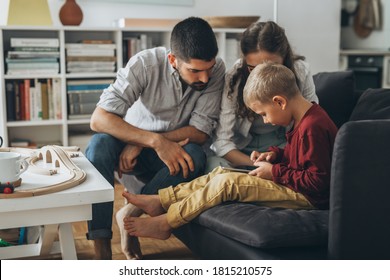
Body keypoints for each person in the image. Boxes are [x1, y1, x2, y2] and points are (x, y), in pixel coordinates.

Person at [121, 62, 338, 240]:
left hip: (307, 198)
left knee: (228, 184)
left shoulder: (312, 127)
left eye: (263, 113)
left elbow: (318, 182)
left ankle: (167, 222)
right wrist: (275, 155)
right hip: (295, 184)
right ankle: (162, 200)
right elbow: (300, 160)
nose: (266, 121)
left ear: (279, 101)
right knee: (220, 173)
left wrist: (274, 172)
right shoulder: (304, 119)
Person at [85, 17, 225, 259]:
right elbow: (99, 119)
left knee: (195, 154)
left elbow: (200, 132)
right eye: (195, 70)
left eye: (209, 68)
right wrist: (150, 141)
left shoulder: (217, 70)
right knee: (98, 145)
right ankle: (101, 244)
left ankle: (131, 213)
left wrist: (157, 142)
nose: (205, 78)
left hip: (170, 150)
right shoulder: (145, 64)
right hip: (129, 148)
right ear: (173, 60)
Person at [206, 21, 318, 172]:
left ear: (284, 58)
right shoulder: (235, 76)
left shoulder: (300, 71)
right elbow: (223, 141)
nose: (261, 76)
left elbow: (310, 122)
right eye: (253, 68)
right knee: (215, 167)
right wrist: (258, 166)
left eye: (271, 67)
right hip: (244, 150)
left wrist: (276, 163)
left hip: (284, 148)